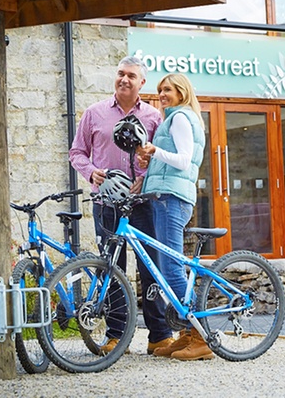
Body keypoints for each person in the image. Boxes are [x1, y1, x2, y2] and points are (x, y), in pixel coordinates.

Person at [68, 55, 174, 355]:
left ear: (142, 83)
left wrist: (147, 177)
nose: (124, 79)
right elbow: (76, 152)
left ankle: (159, 336)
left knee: (150, 267)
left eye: (131, 76)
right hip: (106, 202)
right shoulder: (94, 113)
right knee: (111, 268)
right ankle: (117, 336)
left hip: (142, 203)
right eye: (120, 74)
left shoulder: (154, 117)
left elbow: (161, 158)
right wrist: (91, 172)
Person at [136, 73, 209, 361]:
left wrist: (156, 150)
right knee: (168, 268)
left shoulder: (180, 117)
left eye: (168, 89)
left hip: (171, 198)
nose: (162, 94)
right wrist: (152, 157)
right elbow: (173, 158)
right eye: (160, 90)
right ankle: (186, 333)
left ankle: (200, 336)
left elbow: (183, 159)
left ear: (181, 91)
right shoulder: (175, 118)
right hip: (165, 196)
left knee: (171, 269)